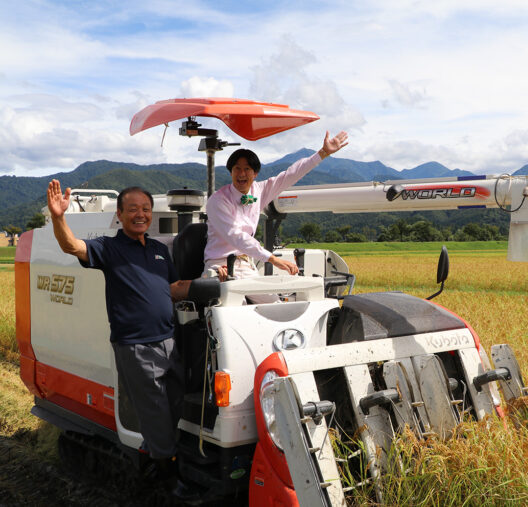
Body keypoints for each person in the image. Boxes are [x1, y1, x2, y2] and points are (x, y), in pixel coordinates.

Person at [46, 180, 196, 499]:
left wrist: (209, 284)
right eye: (132, 210)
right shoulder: (109, 248)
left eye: (145, 209)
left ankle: (150, 457)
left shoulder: (157, 251)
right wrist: (60, 218)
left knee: (174, 403)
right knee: (155, 411)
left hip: (169, 340)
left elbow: (172, 288)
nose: (140, 215)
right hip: (136, 345)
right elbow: (73, 246)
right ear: (120, 214)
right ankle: (168, 478)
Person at [204, 130, 349, 282]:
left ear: (255, 174)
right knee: (234, 302)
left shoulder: (259, 190)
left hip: (246, 264)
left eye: (247, 169)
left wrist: (322, 153)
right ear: (230, 172)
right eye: (237, 169)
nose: (242, 173)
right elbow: (236, 236)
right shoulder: (218, 201)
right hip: (219, 265)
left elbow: (291, 174)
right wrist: (273, 259)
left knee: (273, 301)